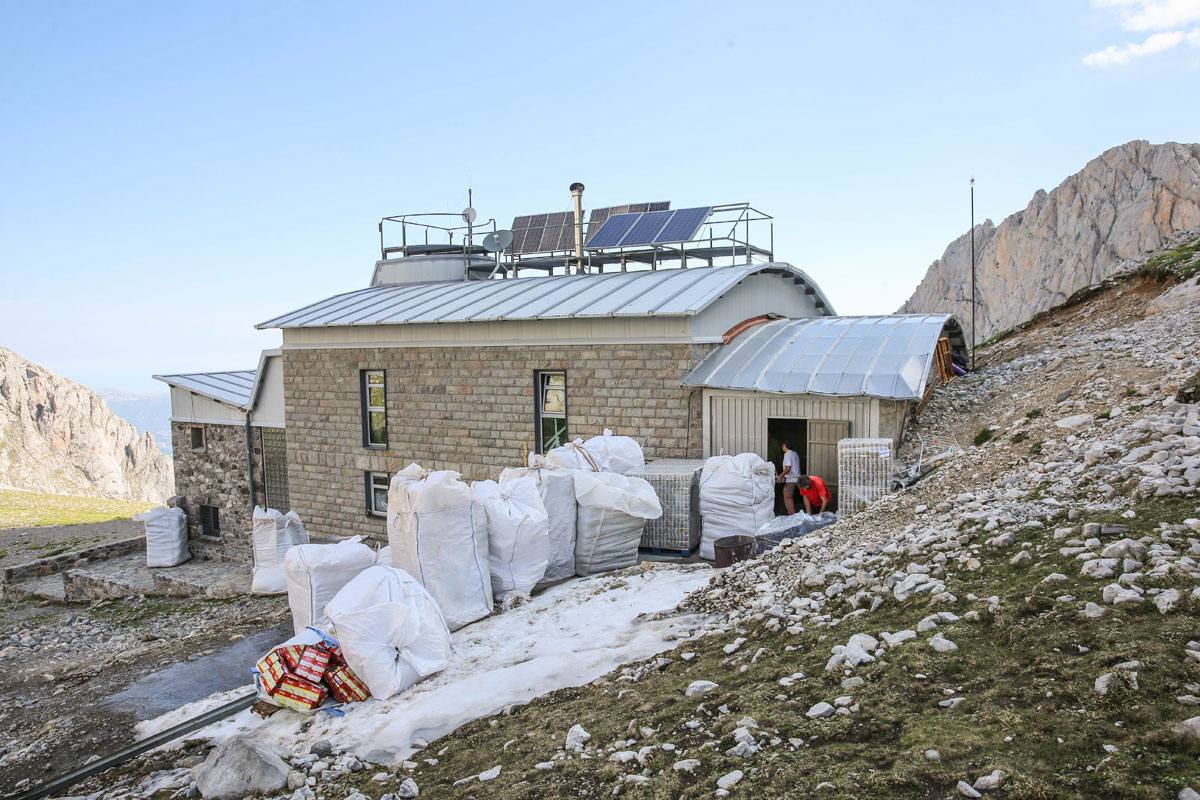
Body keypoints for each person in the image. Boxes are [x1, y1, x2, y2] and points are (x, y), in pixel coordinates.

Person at [777, 441, 802, 515]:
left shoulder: (787, 454)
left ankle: (791, 515)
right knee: (802, 496)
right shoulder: (795, 453)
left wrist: (780, 476)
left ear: (785, 446)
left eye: (783, 446)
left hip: (791, 479)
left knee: (788, 497)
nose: (782, 448)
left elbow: (788, 468)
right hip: (798, 478)